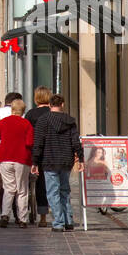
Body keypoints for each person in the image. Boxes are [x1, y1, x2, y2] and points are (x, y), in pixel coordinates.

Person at [32, 94, 83, 232]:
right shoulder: (70, 120)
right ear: (62, 104)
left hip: (49, 159)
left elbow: (38, 142)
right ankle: (68, 220)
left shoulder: (43, 120)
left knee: (52, 192)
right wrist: (81, 158)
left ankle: (58, 222)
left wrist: (35, 161)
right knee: (65, 190)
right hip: (66, 159)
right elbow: (75, 141)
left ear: (49, 105)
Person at [0, 98, 34, 226]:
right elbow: (30, 142)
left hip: (5, 158)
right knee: (22, 190)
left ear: (12, 109)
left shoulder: (4, 121)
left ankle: (5, 215)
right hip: (21, 158)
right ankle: (22, 219)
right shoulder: (26, 124)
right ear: (23, 111)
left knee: (8, 188)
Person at [25, 87, 52, 227]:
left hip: (37, 152)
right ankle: (60, 215)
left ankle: (42, 217)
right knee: (54, 184)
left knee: (40, 184)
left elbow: (27, 135)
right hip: (53, 152)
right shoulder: (53, 113)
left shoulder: (31, 114)